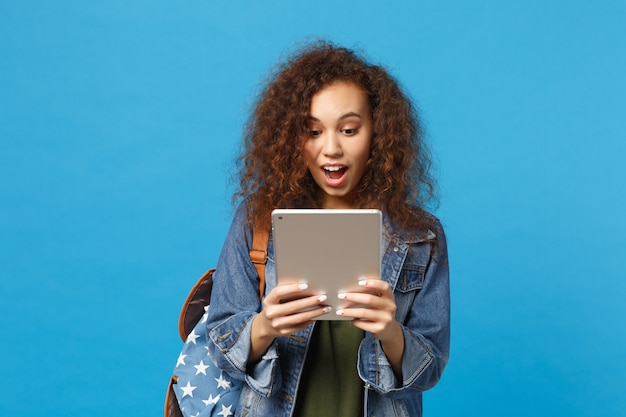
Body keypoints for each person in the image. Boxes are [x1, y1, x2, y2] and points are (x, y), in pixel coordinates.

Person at [205, 41, 450, 417]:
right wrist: (266, 325)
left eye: (349, 130)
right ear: (292, 138)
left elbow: (430, 368)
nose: (331, 148)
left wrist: (390, 332)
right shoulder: (258, 221)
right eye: (313, 131)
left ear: (377, 134)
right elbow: (221, 348)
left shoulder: (420, 238)